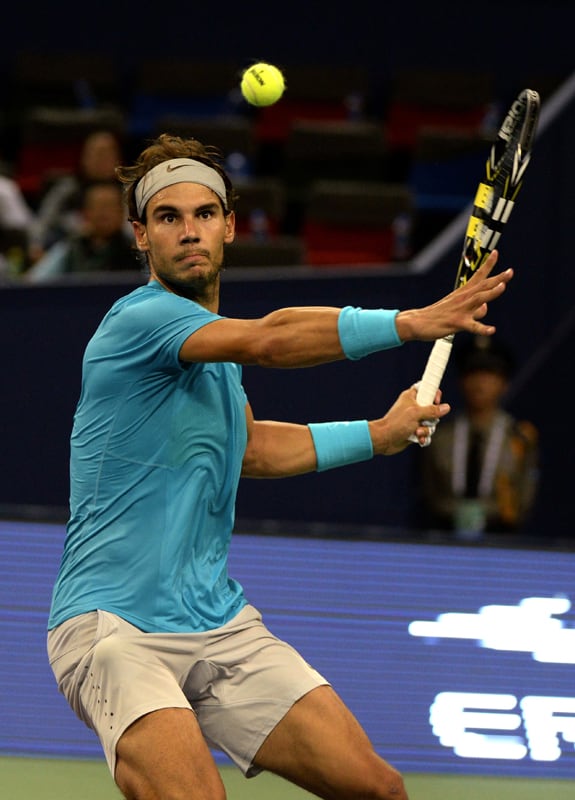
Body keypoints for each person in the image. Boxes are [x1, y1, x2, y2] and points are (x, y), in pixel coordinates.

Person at [46, 133, 513, 800]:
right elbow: (270, 338)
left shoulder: (215, 357)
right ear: (141, 237)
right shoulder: (139, 320)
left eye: (204, 214)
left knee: (377, 788)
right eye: (168, 217)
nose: (189, 231)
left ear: (230, 226)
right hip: (115, 628)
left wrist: (377, 435)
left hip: (218, 622)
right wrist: (411, 322)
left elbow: (252, 449)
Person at [418, 334, 539, 538]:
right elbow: (429, 493)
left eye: (490, 374)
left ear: (504, 383)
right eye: (472, 373)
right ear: (461, 381)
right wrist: (453, 512)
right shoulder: (439, 435)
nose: (480, 383)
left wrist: (488, 513)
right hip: (444, 536)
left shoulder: (520, 438)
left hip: (501, 539)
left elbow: (523, 499)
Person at [27, 128, 124, 262]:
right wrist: (36, 246)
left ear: (117, 159)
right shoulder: (67, 189)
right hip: (70, 252)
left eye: (106, 154)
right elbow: (43, 221)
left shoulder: (129, 191)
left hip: (120, 250)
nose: (101, 160)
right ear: (84, 158)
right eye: (96, 154)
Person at [25, 179, 142, 282]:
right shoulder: (70, 248)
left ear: (122, 213)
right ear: (85, 213)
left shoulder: (137, 251)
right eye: (98, 206)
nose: (104, 213)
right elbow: (34, 281)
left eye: (110, 206)